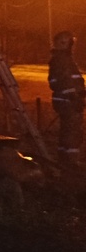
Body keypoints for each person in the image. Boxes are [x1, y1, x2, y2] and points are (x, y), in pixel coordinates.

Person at [49, 30, 85, 169]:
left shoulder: (64, 59)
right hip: (68, 101)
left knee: (68, 130)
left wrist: (81, 92)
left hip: (68, 100)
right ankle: (71, 161)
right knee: (72, 130)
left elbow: (72, 80)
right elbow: (60, 81)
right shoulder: (61, 60)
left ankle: (64, 158)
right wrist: (73, 96)